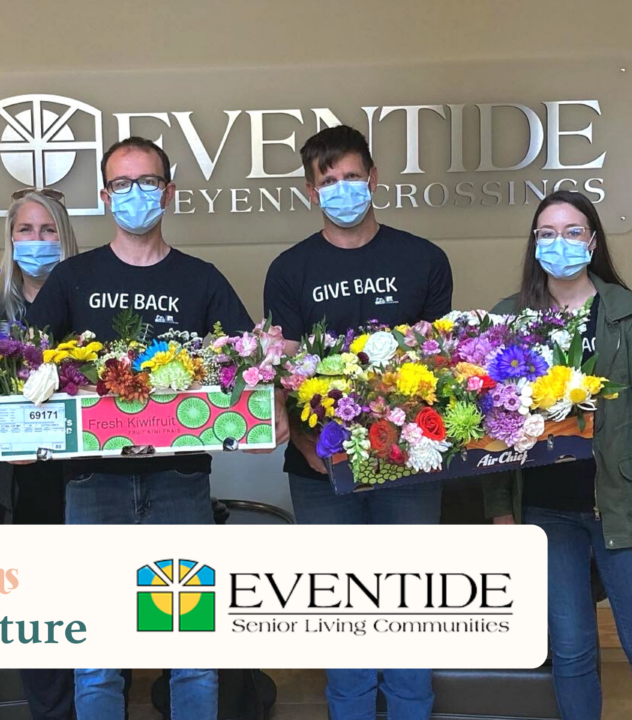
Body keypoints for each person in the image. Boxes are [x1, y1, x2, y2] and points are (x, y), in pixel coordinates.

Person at [27, 136, 254, 720]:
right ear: (105, 197)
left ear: (169, 193)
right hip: (90, 485)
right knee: (99, 656)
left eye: (147, 183)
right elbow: (22, 367)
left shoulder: (202, 281)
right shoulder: (72, 279)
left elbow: (246, 364)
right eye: (122, 185)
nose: (135, 195)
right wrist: (10, 425)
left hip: (179, 484)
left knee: (191, 655)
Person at [263, 125, 452, 720]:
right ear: (310, 191)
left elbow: (441, 369)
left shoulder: (423, 259)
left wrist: (412, 440)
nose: (341, 188)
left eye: (351, 177)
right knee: (342, 612)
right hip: (321, 471)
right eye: (328, 181)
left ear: (373, 178)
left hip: (408, 469)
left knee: (407, 607)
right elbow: (285, 371)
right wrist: (305, 441)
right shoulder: (289, 269)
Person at [483, 191, 632, 720]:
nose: (561, 243)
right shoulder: (507, 319)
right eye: (548, 233)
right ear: (535, 244)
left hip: (621, 508)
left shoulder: (630, 315)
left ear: (593, 241)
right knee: (571, 654)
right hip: (543, 512)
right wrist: (501, 511)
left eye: (573, 231)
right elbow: (487, 427)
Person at [0, 189, 79, 720]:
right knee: (39, 614)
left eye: (48, 231)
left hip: (84, 479)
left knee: (93, 605)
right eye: (26, 231)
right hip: (17, 486)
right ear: (10, 240)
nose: (37, 242)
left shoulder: (89, 298)